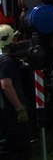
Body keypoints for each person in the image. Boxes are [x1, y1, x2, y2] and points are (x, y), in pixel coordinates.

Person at [0, 24, 31, 160]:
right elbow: (6, 85)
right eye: (13, 38)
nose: (15, 42)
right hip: (10, 110)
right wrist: (19, 108)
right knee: (17, 144)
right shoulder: (7, 62)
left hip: (3, 110)